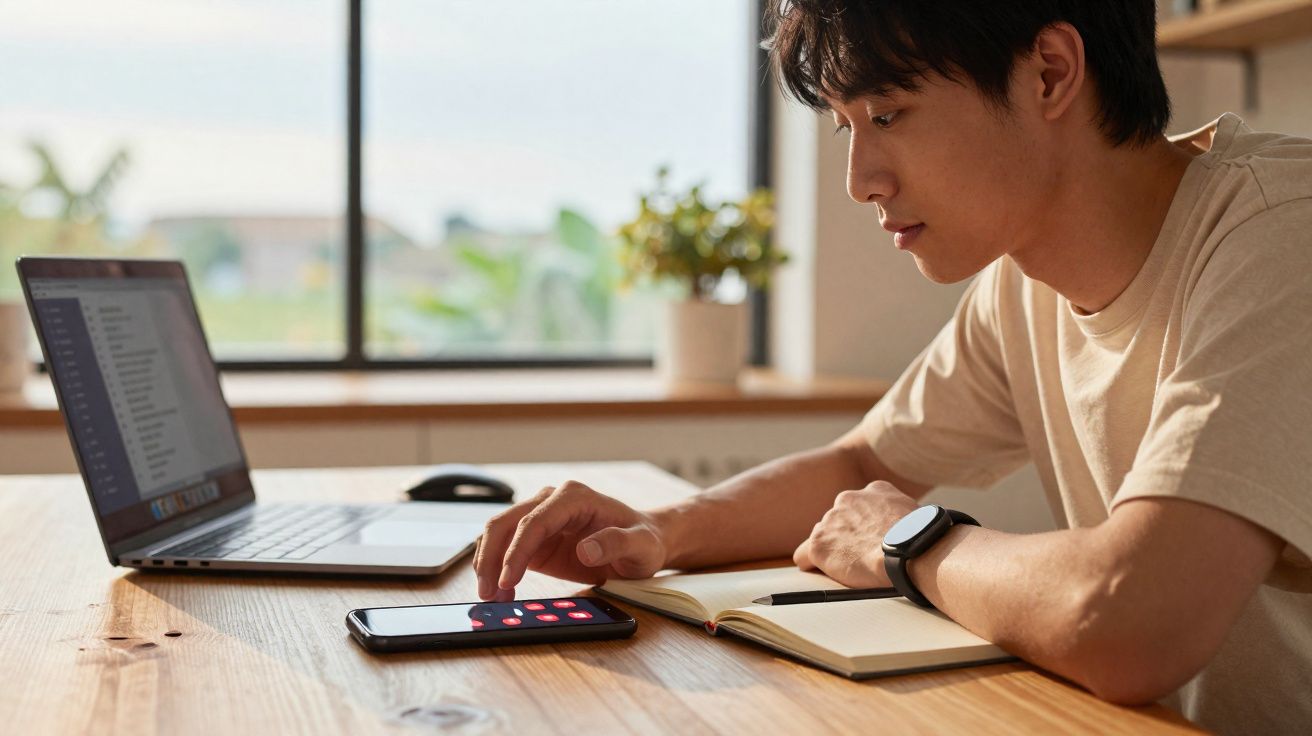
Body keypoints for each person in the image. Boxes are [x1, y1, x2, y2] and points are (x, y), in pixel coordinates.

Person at [474, 2, 1312, 731]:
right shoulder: (1022, 284)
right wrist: (660, 531)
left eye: (887, 114)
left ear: (1050, 73)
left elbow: (1131, 620)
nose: (859, 180)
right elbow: (866, 464)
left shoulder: (1281, 235)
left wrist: (909, 544)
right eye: (845, 126)